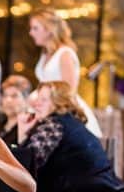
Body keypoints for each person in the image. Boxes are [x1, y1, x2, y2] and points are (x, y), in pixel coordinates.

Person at [29, 10, 101, 138]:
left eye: (35, 28)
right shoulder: (45, 53)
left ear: (49, 30)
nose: (31, 33)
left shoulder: (65, 54)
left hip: (61, 109)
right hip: (45, 108)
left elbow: (69, 90)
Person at [0, 74, 32, 142]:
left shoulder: (31, 128)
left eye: (14, 96)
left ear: (26, 99)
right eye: (5, 95)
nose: (8, 100)